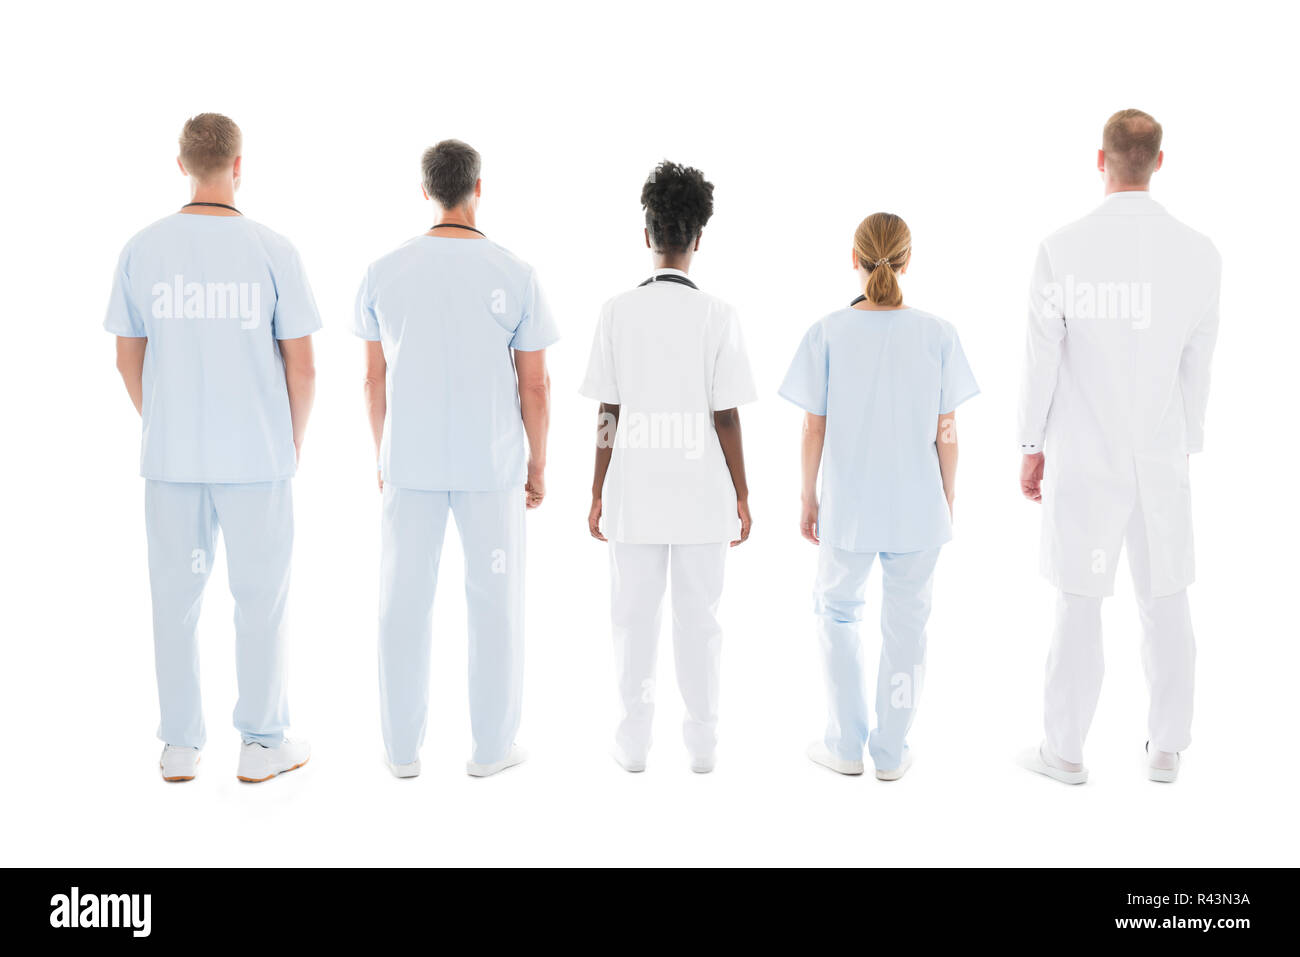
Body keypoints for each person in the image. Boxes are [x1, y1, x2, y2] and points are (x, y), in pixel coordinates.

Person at [106, 113, 320, 783]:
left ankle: (179, 745)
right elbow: (304, 367)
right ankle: (261, 745)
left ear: (181, 166)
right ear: (238, 164)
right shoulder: (272, 248)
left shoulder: (143, 248)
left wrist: (166, 419)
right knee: (261, 600)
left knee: (174, 598)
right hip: (256, 458)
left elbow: (126, 358)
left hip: (172, 459)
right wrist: (290, 443)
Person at [1019, 109, 1221, 785]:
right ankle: (1167, 747)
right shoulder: (1200, 253)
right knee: (1166, 592)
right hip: (1158, 451)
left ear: (1099, 159)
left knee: (1080, 597)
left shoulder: (1062, 247)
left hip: (1082, 450)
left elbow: (1040, 357)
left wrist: (1029, 441)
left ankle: (1065, 752)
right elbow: (1199, 364)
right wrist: (1186, 440)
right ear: (1159, 162)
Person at [355, 139, 557, 779]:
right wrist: (538, 463)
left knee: (401, 603)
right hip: (490, 466)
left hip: (409, 463)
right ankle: (492, 750)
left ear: (426, 192)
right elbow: (536, 386)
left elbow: (372, 380)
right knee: (494, 603)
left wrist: (382, 453)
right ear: (478, 187)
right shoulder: (514, 272)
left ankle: (401, 752)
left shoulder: (383, 272)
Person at [780, 212, 978, 781]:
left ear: (855, 257)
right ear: (908, 261)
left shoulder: (827, 331)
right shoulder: (938, 333)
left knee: (838, 615)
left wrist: (807, 496)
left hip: (848, 507)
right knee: (908, 626)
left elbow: (812, 428)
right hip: (918, 506)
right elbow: (948, 432)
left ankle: (844, 746)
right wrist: (948, 493)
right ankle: (890, 753)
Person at [581, 160, 756, 774]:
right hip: (705, 496)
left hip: (633, 495)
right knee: (701, 622)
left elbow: (609, 410)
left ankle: (633, 745)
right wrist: (741, 495)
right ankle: (703, 745)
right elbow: (726, 416)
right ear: (698, 239)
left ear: (647, 234)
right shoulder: (718, 315)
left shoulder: (615, 311)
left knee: (632, 620)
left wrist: (597, 491)